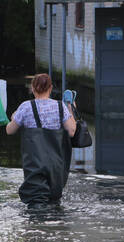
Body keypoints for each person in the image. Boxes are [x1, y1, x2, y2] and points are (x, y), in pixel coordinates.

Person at [5, 73, 76, 207]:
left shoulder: (25, 107)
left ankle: (38, 225)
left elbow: (10, 130)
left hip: (34, 164)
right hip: (56, 163)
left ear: (32, 89)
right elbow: (72, 131)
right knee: (54, 202)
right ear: (50, 88)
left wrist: (14, 118)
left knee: (36, 203)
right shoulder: (61, 107)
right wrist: (70, 109)